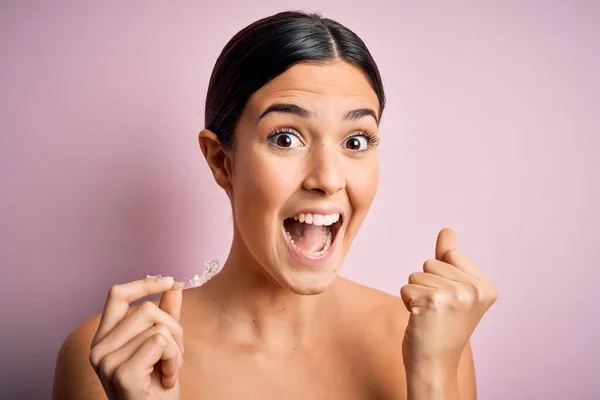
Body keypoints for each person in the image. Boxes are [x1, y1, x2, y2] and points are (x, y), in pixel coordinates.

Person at [52, 10, 497, 400]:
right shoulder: (112, 357)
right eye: (285, 138)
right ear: (221, 160)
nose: (327, 178)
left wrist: (433, 373)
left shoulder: (432, 336)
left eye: (355, 140)